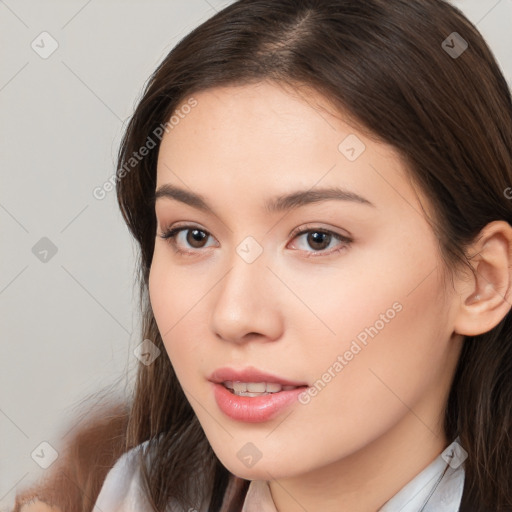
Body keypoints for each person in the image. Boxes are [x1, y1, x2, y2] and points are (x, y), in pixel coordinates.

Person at [14, 0, 512, 510]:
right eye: (193, 235)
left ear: (482, 281)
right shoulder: (116, 491)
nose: (233, 315)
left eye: (318, 238)